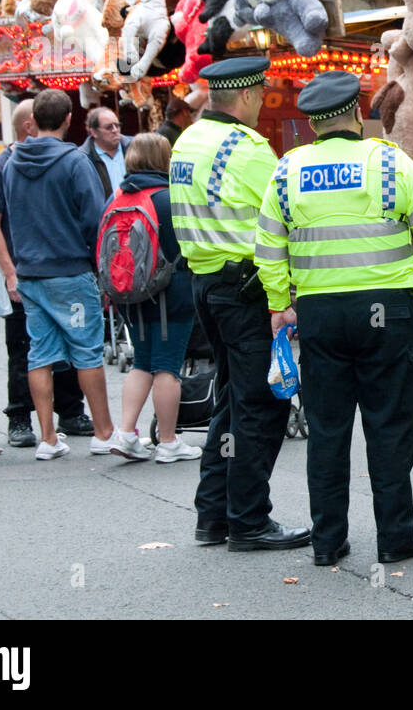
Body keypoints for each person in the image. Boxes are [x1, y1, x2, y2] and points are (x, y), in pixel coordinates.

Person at [255, 69, 413, 566]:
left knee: (328, 429)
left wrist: (281, 303)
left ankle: (327, 542)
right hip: (386, 312)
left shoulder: (287, 169)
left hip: (320, 315)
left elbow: (267, 248)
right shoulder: (389, 162)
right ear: (359, 113)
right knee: (390, 424)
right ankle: (395, 538)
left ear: (314, 123)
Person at [170, 57, 310, 551]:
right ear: (249, 97)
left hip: (205, 284)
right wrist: (284, 299)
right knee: (260, 404)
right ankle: (249, 521)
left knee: (230, 401)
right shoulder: (248, 150)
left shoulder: (187, 140)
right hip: (246, 289)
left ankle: (214, 515)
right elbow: (284, 217)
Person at [3, 89, 118, 460]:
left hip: (31, 272)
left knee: (41, 354)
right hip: (69, 269)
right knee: (86, 351)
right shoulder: (74, 161)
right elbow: (94, 220)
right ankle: (104, 432)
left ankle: (48, 438)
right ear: (69, 119)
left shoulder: (10, 162)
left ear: (33, 120)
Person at [0, 99, 92, 448]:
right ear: (29, 125)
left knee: (67, 342)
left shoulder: (55, 160)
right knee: (25, 347)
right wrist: (9, 272)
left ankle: (71, 410)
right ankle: (19, 416)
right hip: (26, 269)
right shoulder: (0, 167)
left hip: (48, 265)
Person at [103, 133, 202, 464]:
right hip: (171, 292)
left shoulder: (117, 196)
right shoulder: (169, 197)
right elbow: (189, 247)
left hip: (130, 293)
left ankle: (126, 433)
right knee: (168, 366)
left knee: (142, 361)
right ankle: (169, 442)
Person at [80, 106, 131, 200]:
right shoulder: (83, 158)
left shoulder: (134, 147)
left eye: (117, 125)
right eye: (109, 127)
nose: (115, 130)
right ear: (93, 132)